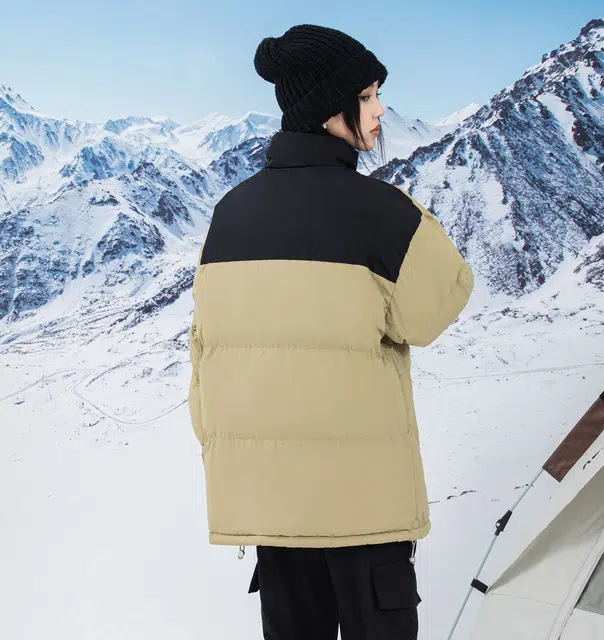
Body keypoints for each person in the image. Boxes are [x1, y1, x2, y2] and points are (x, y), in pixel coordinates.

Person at [188, 23, 474, 640]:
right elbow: (439, 303)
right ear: (328, 110)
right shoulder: (380, 211)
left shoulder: (228, 215)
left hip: (275, 519)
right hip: (367, 519)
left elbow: (204, 363)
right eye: (367, 97)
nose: (379, 112)